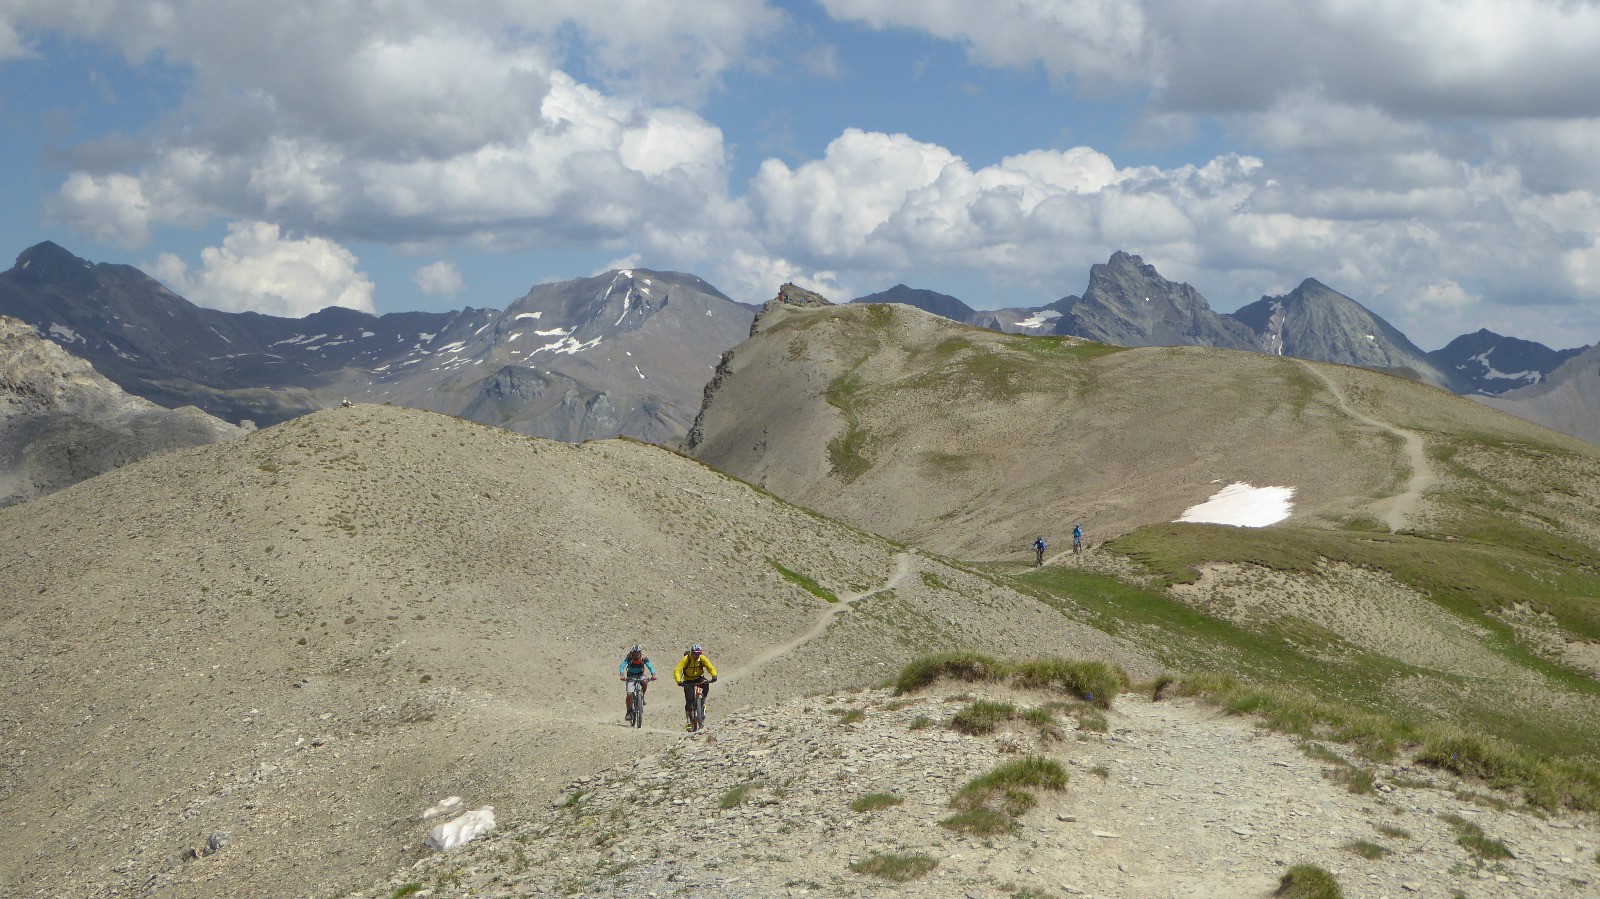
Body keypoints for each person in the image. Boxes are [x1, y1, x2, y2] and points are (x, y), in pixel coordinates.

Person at [673, 643, 718, 731]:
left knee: (706, 684)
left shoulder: (702, 658)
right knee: (689, 701)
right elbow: (677, 670)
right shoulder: (686, 659)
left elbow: (710, 667)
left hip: (699, 678)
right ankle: (688, 721)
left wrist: (714, 675)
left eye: (699, 653)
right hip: (688, 680)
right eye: (695, 653)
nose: (697, 655)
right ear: (691, 653)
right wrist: (679, 681)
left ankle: (703, 701)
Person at [618, 644, 656, 720]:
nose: (636, 654)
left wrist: (653, 674)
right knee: (629, 694)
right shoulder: (629, 657)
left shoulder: (643, 658)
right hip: (631, 676)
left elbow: (650, 666)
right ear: (632, 652)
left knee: (645, 682)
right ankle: (629, 712)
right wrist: (622, 675)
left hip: (640, 675)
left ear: (640, 652)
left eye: (638, 652)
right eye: (634, 652)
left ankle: (642, 695)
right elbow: (622, 666)